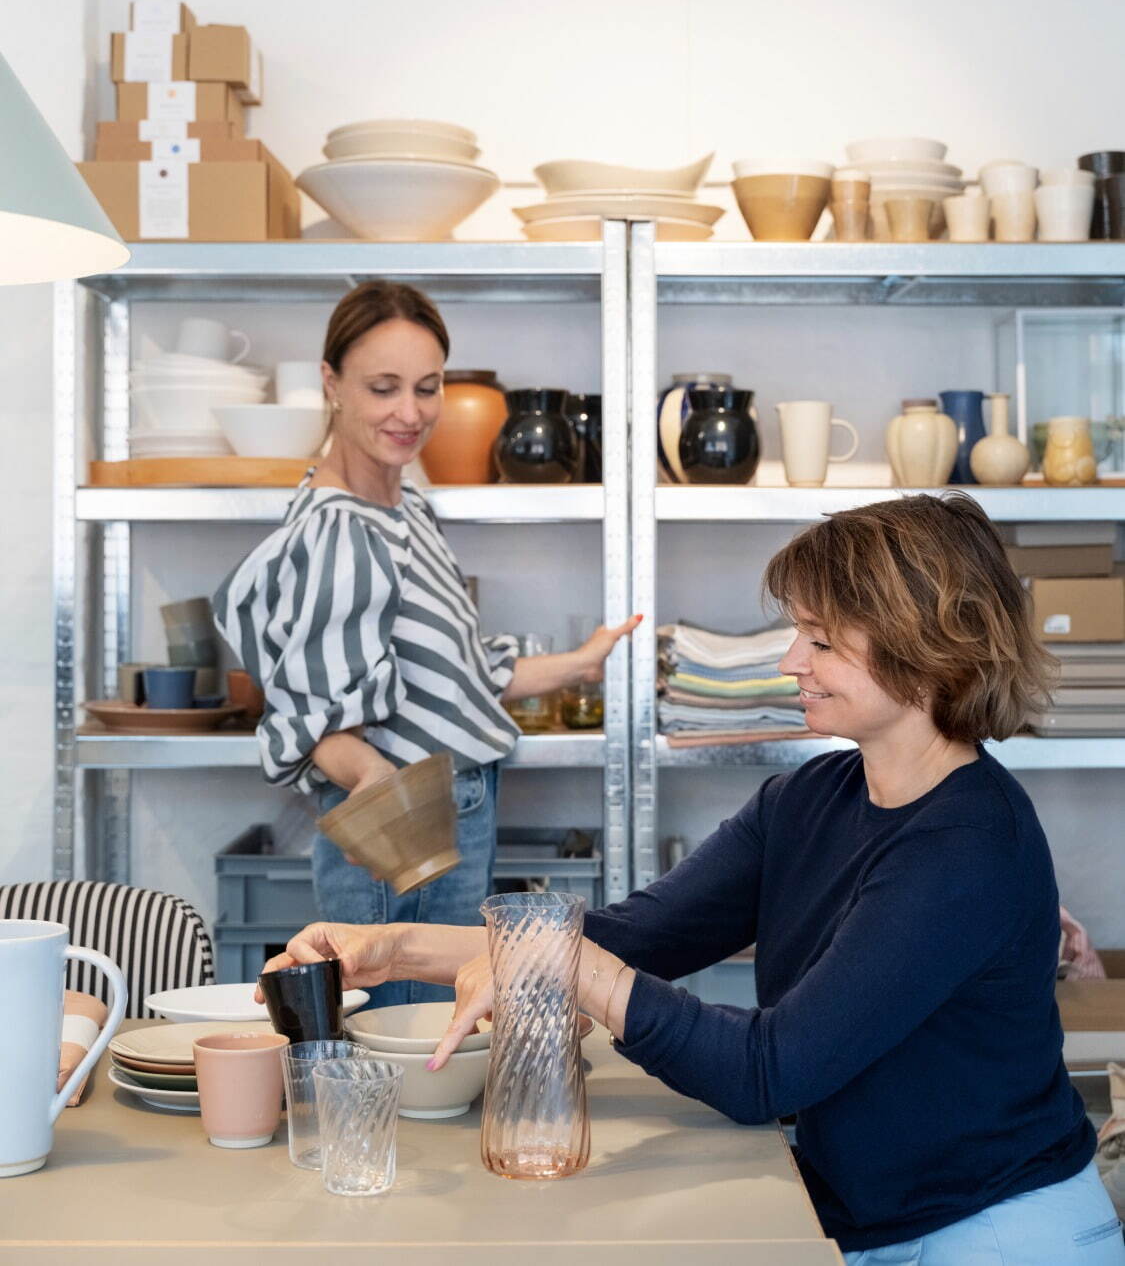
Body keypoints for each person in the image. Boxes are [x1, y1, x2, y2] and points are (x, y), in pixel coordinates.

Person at [262, 493, 1125, 1262]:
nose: (791, 661)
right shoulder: (808, 798)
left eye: (820, 640)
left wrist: (570, 971)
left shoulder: (967, 844)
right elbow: (628, 937)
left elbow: (768, 1072)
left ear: (927, 649)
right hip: (869, 1220)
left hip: (998, 1230)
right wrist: (391, 947)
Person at [215, 278, 638, 1007]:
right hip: (404, 822)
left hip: (443, 805)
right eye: (382, 388)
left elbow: (454, 675)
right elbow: (315, 721)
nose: (409, 413)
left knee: (437, 1033)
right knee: (401, 1036)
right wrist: (381, 791)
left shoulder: (405, 505)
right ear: (332, 384)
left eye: (427, 386)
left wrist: (579, 662)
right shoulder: (339, 530)